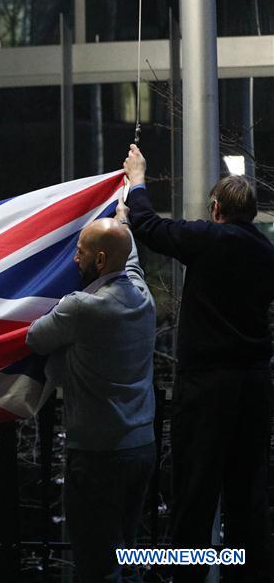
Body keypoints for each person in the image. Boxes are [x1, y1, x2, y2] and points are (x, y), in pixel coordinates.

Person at [123, 144, 274, 582]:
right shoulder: (266, 253)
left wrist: (138, 179)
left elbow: (149, 228)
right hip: (254, 382)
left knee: (195, 489)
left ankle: (187, 575)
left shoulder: (210, 239)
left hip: (208, 385)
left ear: (216, 208)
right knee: (248, 494)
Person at [27, 214, 157, 582]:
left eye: (80, 252)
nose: (74, 259)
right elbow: (128, 257)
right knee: (125, 553)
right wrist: (123, 212)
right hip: (140, 447)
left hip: (97, 456)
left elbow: (35, 338)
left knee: (97, 565)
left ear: (99, 261)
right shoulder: (141, 294)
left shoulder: (81, 307)